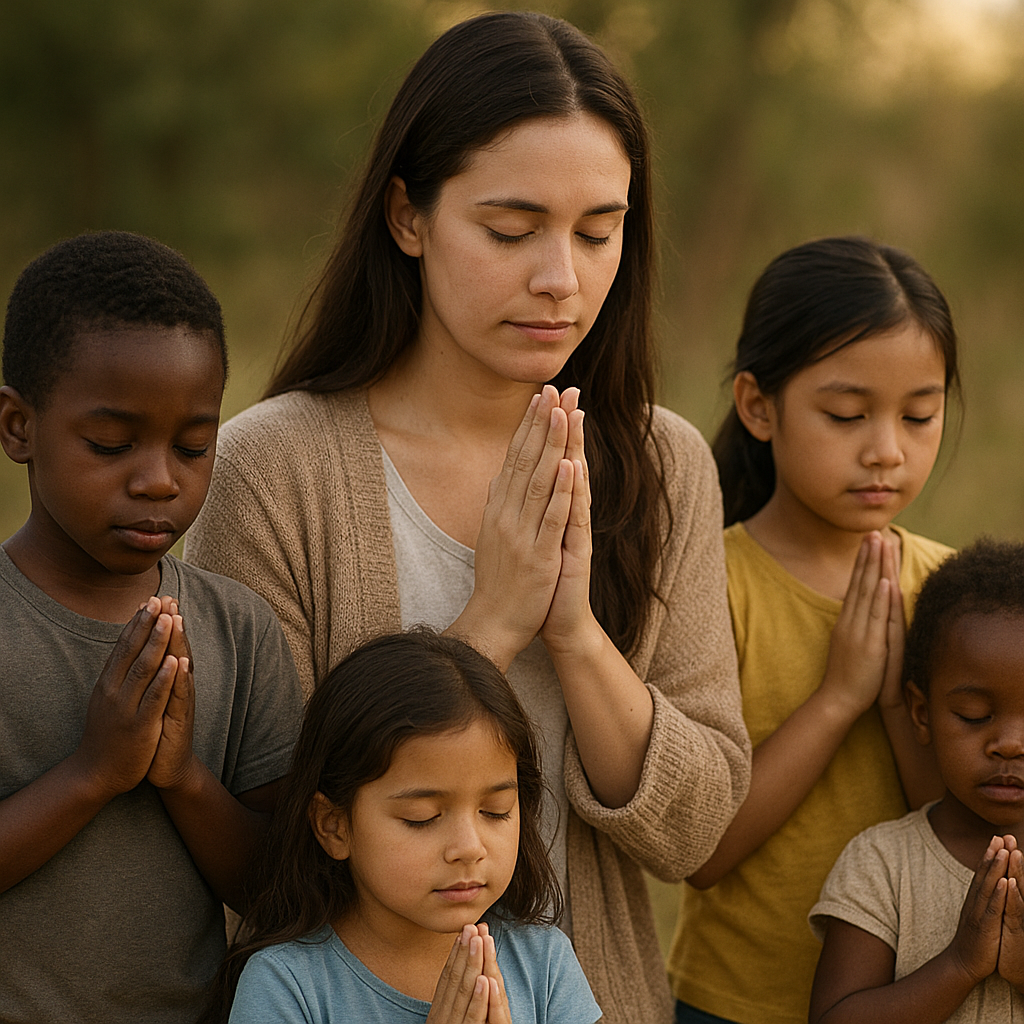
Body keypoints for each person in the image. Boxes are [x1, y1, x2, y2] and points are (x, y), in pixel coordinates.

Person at [184, 11, 750, 1022]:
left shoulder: (663, 464)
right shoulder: (273, 470)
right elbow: (265, 835)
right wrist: (491, 622)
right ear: (407, 216)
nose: (560, 278)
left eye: (598, 231)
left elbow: (695, 833)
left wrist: (575, 634)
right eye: (510, 230)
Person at [0, 231, 303, 1023]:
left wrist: (183, 778)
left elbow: (280, 888)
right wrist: (93, 773)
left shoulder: (238, 631)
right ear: (18, 426)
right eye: (112, 444)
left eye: (193, 446)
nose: (159, 479)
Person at [669, 236, 960, 1024]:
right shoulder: (712, 584)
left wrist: (895, 704)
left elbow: (969, 829)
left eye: (920, 415)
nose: (886, 451)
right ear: (758, 406)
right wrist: (837, 699)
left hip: (913, 999)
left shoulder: (951, 592)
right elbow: (701, 852)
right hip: (732, 1004)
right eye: (846, 415)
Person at [202, 630, 602, 1024]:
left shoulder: (544, 964)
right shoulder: (286, 985)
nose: (469, 847)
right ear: (335, 826)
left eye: (495, 811)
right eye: (421, 817)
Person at [808, 538, 1024, 1023]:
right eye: (973, 715)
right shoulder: (883, 864)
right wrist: (960, 964)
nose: (1010, 744)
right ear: (922, 714)